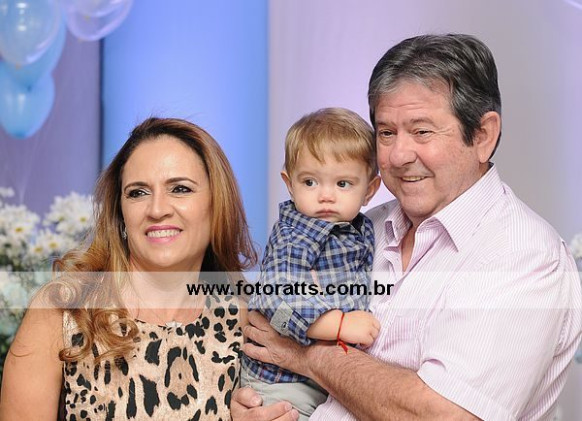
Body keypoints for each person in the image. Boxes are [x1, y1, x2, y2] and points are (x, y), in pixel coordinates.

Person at [232, 34, 582, 421]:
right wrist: (254, 406)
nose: (398, 156)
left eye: (422, 131)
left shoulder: (525, 256)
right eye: (386, 133)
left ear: (483, 136)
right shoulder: (360, 227)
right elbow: (268, 321)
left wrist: (309, 355)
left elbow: (444, 416)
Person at [0, 117, 257, 420]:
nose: (157, 209)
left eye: (180, 189)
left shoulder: (245, 320)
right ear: (121, 214)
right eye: (138, 193)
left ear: (217, 203)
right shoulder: (64, 311)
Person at [240, 108, 381, 420]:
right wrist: (340, 325)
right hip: (281, 383)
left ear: (370, 190)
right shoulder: (294, 235)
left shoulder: (364, 229)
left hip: (326, 379)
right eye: (310, 182)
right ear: (290, 183)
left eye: (343, 184)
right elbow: (278, 297)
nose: (326, 196)